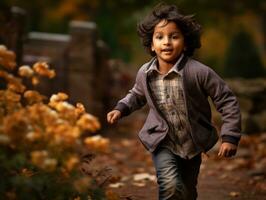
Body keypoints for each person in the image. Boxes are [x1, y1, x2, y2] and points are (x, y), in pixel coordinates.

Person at [107, 3, 241, 200]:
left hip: (192, 143)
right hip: (162, 141)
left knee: (187, 192)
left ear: (185, 43)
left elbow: (226, 100)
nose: (166, 42)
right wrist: (121, 108)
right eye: (159, 37)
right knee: (169, 186)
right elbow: (136, 94)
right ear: (151, 44)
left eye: (174, 36)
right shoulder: (145, 73)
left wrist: (230, 136)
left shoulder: (199, 72)